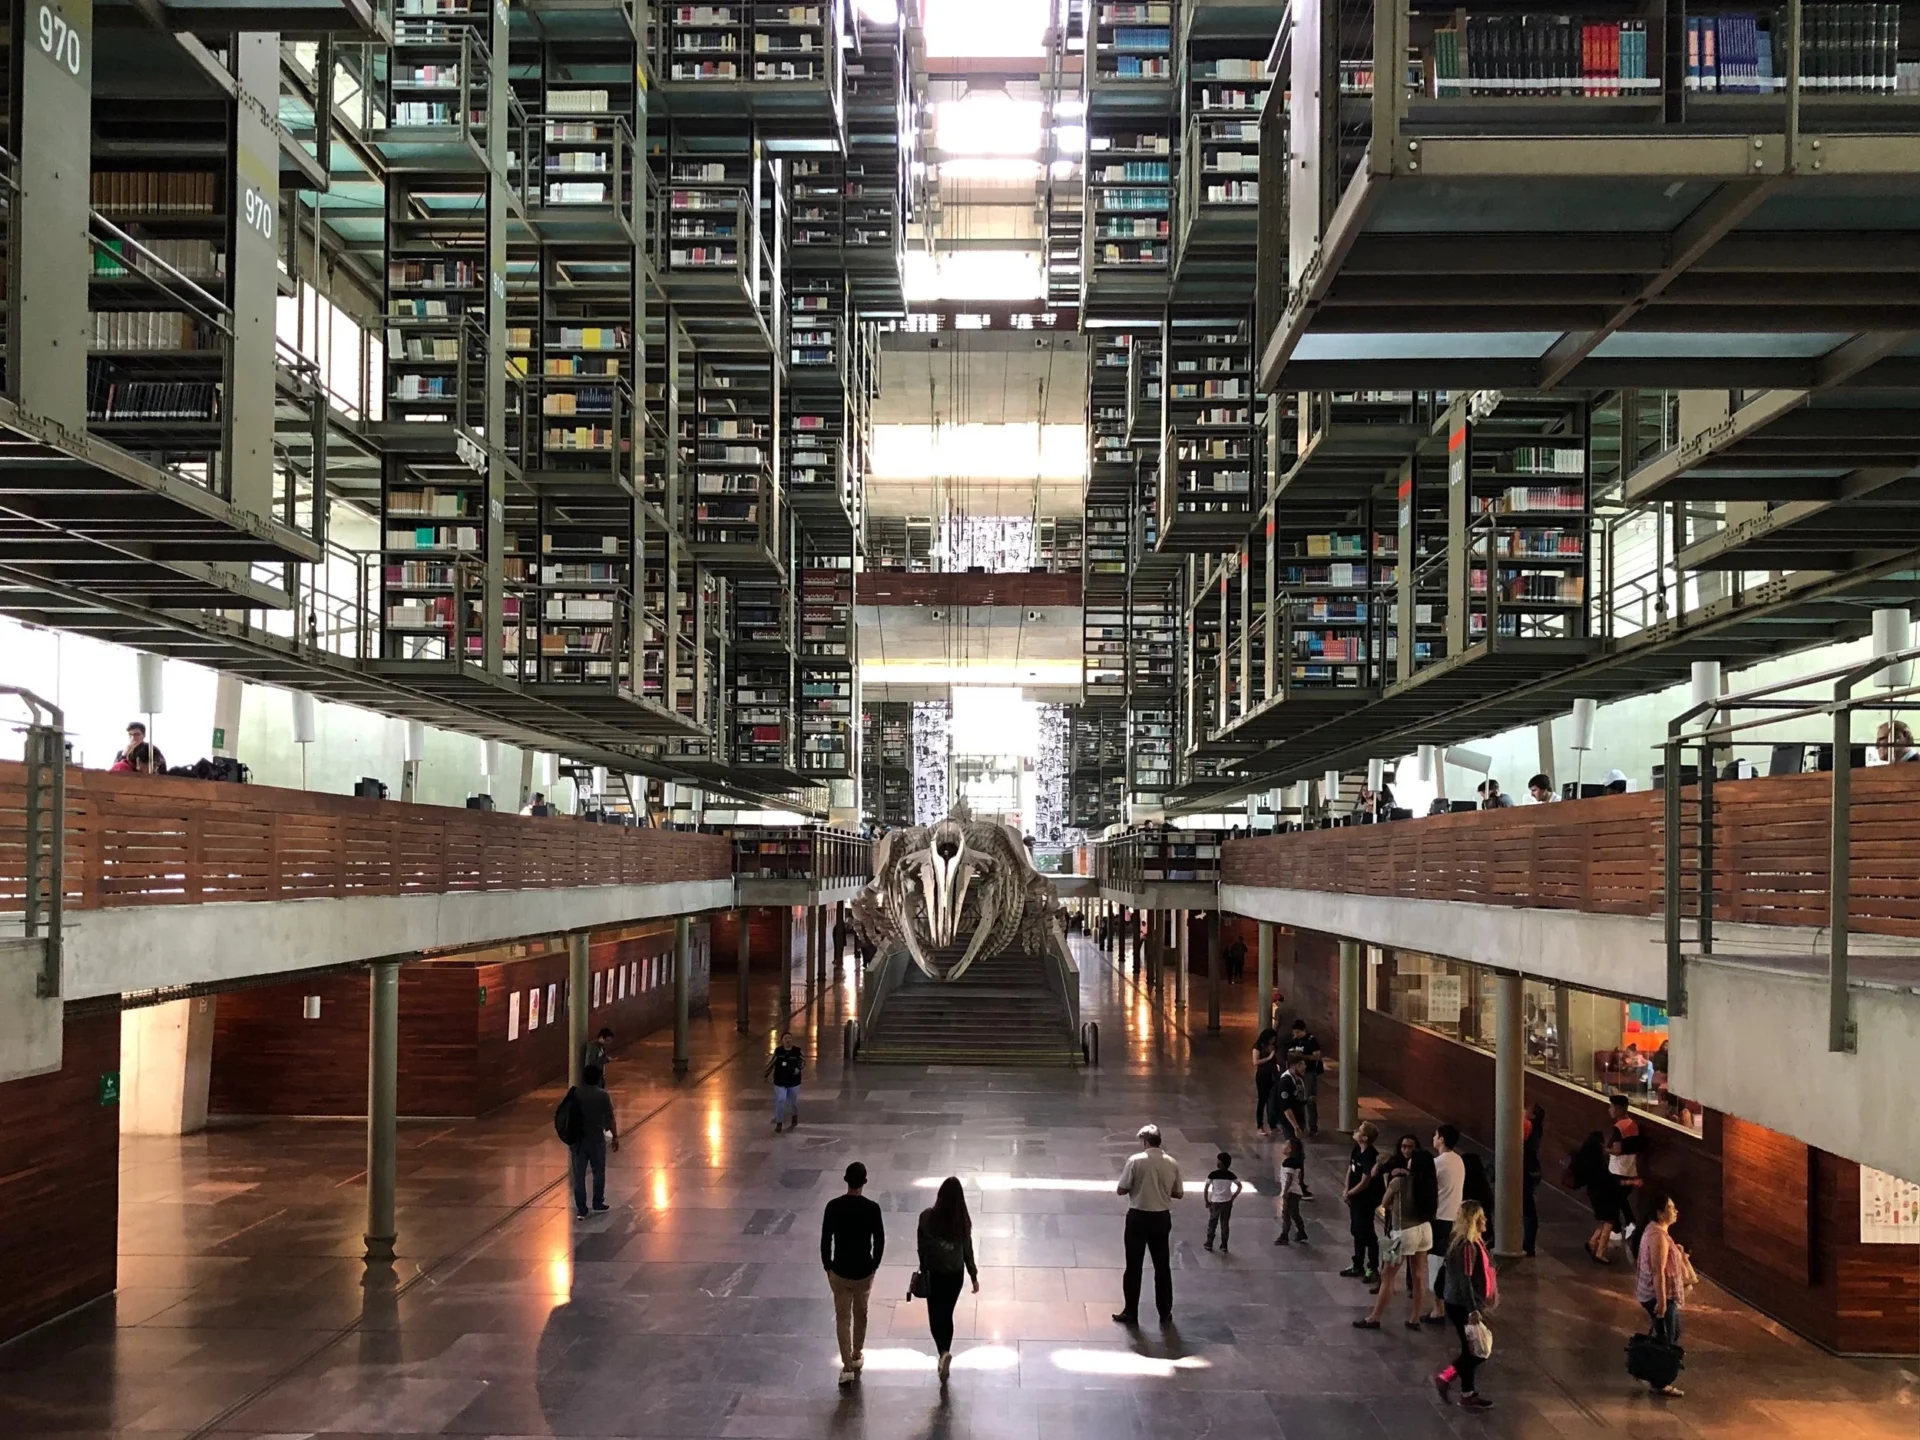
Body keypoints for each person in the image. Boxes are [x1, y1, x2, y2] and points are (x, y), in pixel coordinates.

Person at [1355, 1137, 1435, 1329]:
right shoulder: (1429, 1184)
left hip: (1403, 1234)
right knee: (1418, 1275)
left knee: (1387, 1275)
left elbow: (1384, 1203)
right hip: (1424, 1230)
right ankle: (1414, 1317)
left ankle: (1375, 1317)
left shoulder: (1399, 1181)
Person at [1112, 1123, 1183, 1326]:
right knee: (1162, 1266)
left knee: (1133, 1266)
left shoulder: (1135, 1161)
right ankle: (1165, 1312)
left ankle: (1131, 1311)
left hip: (1138, 1217)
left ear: (1144, 1141)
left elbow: (1121, 1189)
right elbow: (1178, 1193)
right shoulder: (1172, 1162)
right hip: (1161, 1218)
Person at [822, 1161, 885, 1386]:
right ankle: (857, 1354)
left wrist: (827, 1266)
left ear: (847, 1181)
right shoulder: (872, 1208)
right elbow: (879, 1240)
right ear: (864, 1183)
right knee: (861, 1313)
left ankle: (846, 1366)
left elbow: (825, 1239)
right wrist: (874, 1265)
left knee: (842, 1318)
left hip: (839, 1271)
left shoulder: (833, 1207)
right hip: (863, 1272)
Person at [1432, 1200, 1497, 1411]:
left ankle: (1467, 1393)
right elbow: (1465, 1279)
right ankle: (1446, 1377)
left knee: (1471, 1348)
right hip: (1462, 1305)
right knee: (1477, 1351)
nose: (1485, 1220)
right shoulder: (1467, 1246)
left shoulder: (1466, 1242)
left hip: (1461, 1302)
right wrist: (1473, 1309)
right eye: (1481, 1217)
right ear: (1474, 1220)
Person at [917, 1176, 979, 1383]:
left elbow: (922, 1246)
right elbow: (967, 1250)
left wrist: (923, 1266)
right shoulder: (962, 1222)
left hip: (934, 1274)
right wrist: (973, 1275)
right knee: (947, 1313)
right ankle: (946, 1353)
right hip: (955, 1276)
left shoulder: (927, 1218)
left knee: (936, 1315)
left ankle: (943, 1352)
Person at [1634, 1193, 1692, 1397]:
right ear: (1660, 1213)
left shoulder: (1655, 1231)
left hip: (1656, 1293)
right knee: (1668, 1336)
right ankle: (1659, 1381)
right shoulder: (1658, 1236)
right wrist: (1661, 1301)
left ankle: (1654, 1375)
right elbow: (1658, 1271)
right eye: (1670, 1208)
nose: (1675, 1211)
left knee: (1667, 1333)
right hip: (1660, 1295)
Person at [567, 1064, 619, 1219]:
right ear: (598, 1078)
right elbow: (610, 1118)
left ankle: (581, 1208)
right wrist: (615, 1136)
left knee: (579, 1175)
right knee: (598, 1172)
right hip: (596, 1139)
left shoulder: (575, 1094)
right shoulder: (602, 1095)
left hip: (578, 1141)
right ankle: (598, 1202)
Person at [1425, 1125, 1466, 1324]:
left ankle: (1437, 1308)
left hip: (1440, 1218)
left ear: (1441, 1138)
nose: (1433, 1138)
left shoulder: (1437, 1163)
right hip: (1455, 1218)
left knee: (1435, 1262)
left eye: (1435, 1134)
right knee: (1449, 1263)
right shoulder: (1459, 1160)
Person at [1341, 1121, 1384, 1281]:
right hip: (1355, 1197)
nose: (1355, 1131)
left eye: (1359, 1130)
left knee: (1366, 1232)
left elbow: (1365, 1181)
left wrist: (1350, 1193)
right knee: (1356, 1230)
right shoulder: (1356, 1150)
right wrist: (1346, 1189)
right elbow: (1350, 1170)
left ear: (1364, 1138)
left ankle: (1372, 1268)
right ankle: (1357, 1263)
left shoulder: (1370, 1156)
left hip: (1366, 1199)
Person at [1573, 1130, 1621, 1264]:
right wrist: (1628, 1182)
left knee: (1603, 1219)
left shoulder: (1587, 1157)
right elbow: (1607, 1178)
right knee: (1610, 1221)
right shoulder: (1598, 1161)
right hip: (1603, 1193)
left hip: (1593, 1192)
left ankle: (1592, 1242)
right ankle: (1600, 1252)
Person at [1606, 1093, 1644, 1253]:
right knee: (1620, 1199)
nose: (1609, 1110)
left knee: (1612, 1200)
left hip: (1617, 1170)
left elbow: (1617, 1150)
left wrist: (1604, 1149)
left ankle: (1619, 1228)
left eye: (1611, 1107)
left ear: (1619, 1109)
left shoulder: (1618, 1128)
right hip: (1630, 1169)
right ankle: (1626, 1226)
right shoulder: (1633, 1125)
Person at [1274, 1058, 1313, 1195]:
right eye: (1302, 1064)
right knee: (1294, 1152)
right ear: (1294, 1065)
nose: (1304, 1067)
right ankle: (1293, 1185)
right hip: (1289, 1123)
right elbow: (1286, 1108)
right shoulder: (1286, 1081)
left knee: (1299, 1153)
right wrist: (1295, 1127)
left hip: (1298, 1120)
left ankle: (1299, 1182)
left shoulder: (1298, 1079)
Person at [1288, 1018, 1324, 1135]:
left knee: (1309, 1099)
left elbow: (1316, 1056)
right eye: (1294, 1032)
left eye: (1298, 1032)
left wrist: (1303, 1056)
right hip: (1298, 1073)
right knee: (1298, 1098)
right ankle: (1299, 1125)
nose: (1296, 1035)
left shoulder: (1311, 1040)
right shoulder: (1294, 1040)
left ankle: (1313, 1127)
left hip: (1309, 1072)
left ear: (1303, 1031)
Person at [1204, 1151, 1243, 1252]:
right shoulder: (1231, 1175)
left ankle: (1209, 1243)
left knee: (1212, 1223)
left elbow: (1206, 1188)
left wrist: (1206, 1201)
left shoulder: (1213, 1174)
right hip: (1227, 1202)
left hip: (1215, 1202)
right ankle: (1224, 1245)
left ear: (1220, 1162)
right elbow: (1239, 1186)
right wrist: (1233, 1197)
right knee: (1224, 1223)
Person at [766, 1031, 804, 1133]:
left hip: (793, 1081)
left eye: (789, 1038)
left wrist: (798, 1068)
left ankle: (794, 1116)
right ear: (782, 1040)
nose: (788, 1040)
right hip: (780, 1081)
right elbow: (772, 1063)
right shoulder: (778, 1051)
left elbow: (803, 1061)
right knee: (780, 1100)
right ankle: (779, 1123)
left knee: (793, 1102)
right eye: (786, 1038)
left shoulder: (797, 1051)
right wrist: (766, 1073)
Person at [1273, 1136, 1309, 1245]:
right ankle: (1301, 1232)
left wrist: (1285, 1192)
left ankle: (1284, 1235)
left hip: (1291, 1192)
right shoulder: (1295, 1162)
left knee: (1286, 1214)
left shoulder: (1288, 1163)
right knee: (1294, 1213)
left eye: (1286, 1145)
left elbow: (1288, 1178)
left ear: (1290, 1149)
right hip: (1296, 1192)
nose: (1283, 1147)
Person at [1521, 1104, 1545, 1257]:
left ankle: (1528, 1244)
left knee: (1528, 1209)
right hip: (1531, 1170)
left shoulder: (1527, 1126)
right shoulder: (1535, 1129)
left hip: (1525, 1171)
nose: (1524, 1109)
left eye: (1528, 1109)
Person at [1250, 1027, 1282, 1136]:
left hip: (1273, 1075)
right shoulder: (1258, 1047)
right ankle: (1260, 1125)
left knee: (1272, 1101)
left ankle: (1273, 1124)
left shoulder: (1274, 1047)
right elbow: (1256, 1062)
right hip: (1263, 1076)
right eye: (1272, 1038)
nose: (1273, 1041)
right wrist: (1268, 1058)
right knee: (1262, 1100)